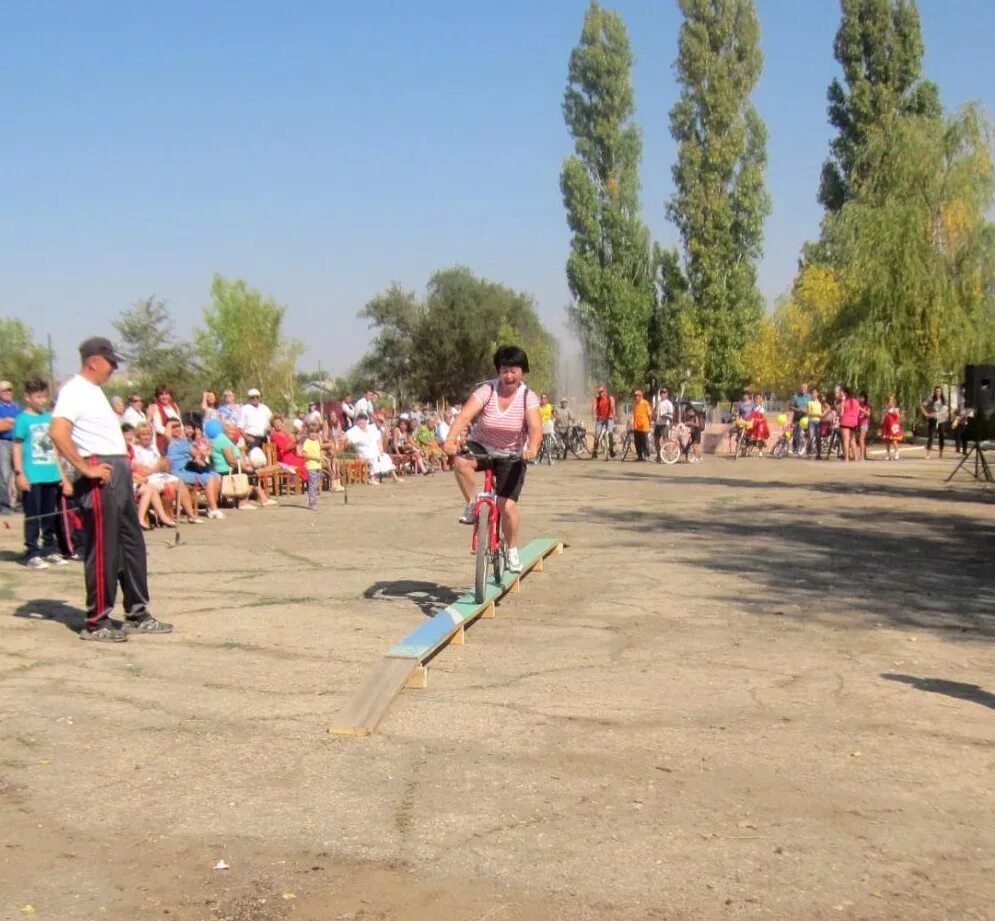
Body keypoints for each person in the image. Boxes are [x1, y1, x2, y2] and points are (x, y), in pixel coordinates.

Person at [49, 337, 172, 642]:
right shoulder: (74, 390)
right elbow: (57, 432)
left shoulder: (95, 393)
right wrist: (85, 468)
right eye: (110, 362)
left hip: (117, 468)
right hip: (98, 471)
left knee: (132, 544)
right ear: (94, 360)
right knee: (104, 547)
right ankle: (97, 620)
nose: (114, 368)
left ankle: (137, 613)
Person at [442, 345, 541, 575]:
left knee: (506, 506)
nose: (508, 376)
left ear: (523, 373)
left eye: (514, 371)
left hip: (512, 454)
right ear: (498, 371)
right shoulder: (487, 390)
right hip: (483, 447)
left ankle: (512, 550)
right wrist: (450, 439)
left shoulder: (528, 397)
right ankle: (472, 504)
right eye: (504, 370)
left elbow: (535, 427)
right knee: (461, 461)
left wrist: (532, 447)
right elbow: (465, 415)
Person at [13, 378, 73, 568]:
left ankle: (49, 548)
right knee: (34, 515)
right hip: (32, 475)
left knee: (50, 514)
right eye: (38, 397)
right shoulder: (22, 420)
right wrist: (19, 473)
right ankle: (31, 551)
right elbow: (16, 447)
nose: (42, 401)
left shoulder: (49, 418)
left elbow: (55, 448)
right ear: (28, 397)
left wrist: (62, 475)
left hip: (51, 474)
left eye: (44, 397)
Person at [165, 419, 224, 518]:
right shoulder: (171, 441)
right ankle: (213, 508)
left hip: (188, 468)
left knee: (215, 475)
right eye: (173, 427)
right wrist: (170, 423)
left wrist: (202, 454)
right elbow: (166, 434)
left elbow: (197, 454)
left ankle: (212, 506)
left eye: (178, 426)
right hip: (178, 471)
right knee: (209, 478)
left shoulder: (184, 441)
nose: (176, 429)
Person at [345, 413, 400, 484]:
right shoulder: (354, 431)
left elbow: (379, 437)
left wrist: (381, 449)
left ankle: (395, 477)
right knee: (373, 457)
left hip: (374, 451)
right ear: (356, 422)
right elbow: (345, 438)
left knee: (385, 456)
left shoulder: (371, 428)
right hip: (363, 453)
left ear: (366, 421)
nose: (361, 422)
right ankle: (372, 478)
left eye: (363, 420)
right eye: (359, 421)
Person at [0, 380, 23, 514]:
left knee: (20, 472)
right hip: (3, 442)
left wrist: (8, 422)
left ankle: (19, 503)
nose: (7, 393)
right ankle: (5, 506)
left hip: (17, 442)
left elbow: (21, 423)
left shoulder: (17, 407)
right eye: (4, 390)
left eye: (9, 390)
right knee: (4, 474)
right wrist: (8, 423)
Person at [300, 420, 325, 510]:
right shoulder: (307, 442)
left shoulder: (317, 442)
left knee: (316, 485)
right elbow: (304, 454)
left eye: (316, 432)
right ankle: (312, 503)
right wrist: (316, 457)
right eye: (312, 432)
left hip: (318, 466)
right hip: (311, 467)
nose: (314, 434)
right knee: (312, 485)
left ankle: (314, 500)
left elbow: (320, 450)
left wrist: (322, 458)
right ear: (308, 433)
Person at [921, 386, 948, 459]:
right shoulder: (931, 399)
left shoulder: (944, 400)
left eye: (939, 391)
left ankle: (941, 452)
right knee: (931, 436)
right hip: (933, 419)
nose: (937, 393)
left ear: (941, 392)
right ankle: (928, 453)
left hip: (942, 420)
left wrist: (946, 414)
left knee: (941, 436)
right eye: (936, 391)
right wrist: (926, 413)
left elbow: (947, 409)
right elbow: (922, 405)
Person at [591, 385, 616, 458]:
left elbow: (612, 407)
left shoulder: (610, 398)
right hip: (600, 419)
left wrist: (613, 414)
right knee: (597, 435)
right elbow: (594, 407)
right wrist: (593, 414)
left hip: (609, 418)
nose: (600, 393)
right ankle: (595, 451)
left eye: (602, 392)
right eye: (599, 392)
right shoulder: (597, 399)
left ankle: (611, 450)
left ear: (605, 391)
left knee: (610, 433)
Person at [653, 388, 675, 462]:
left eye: (664, 392)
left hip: (665, 424)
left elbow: (671, 415)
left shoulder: (668, 403)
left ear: (667, 394)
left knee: (665, 440)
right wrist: (654, 414)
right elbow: (655, 412)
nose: (662, 394)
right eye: (661, 392)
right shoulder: (659, 402)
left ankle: (668, 456)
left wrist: (665, 416)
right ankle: (659, 456)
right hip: (658, 423)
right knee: (656, 440)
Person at [839, 387, 861, 461]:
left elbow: (841, 413)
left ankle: (847, 458)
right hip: (854, 422)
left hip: (845, 421)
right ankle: (856, 457)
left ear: (845, 393)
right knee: (852, 440)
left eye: (841, 392)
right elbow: (858, 412)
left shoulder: (844, 401)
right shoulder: (856, 401)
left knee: (846, 440)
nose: (840, 394)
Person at [631, 389, 652, 461]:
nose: (636, 397)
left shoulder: (645, 403)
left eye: (637, 395)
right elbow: (634, 414)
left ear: (641, 396)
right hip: (636, 426)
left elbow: (649, 414)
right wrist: (632, 423)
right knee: (637, 442)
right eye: (635, 396)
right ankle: (640, 456)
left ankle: (647, 456)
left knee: (645, 442)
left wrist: (650, 423)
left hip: (644, 426)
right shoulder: (635, 404)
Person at [789, 383, 810, 455]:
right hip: (797, 417)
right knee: (796, 433)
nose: (803, 389)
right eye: (802, 388)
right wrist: (798, 409)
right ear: (800, 388)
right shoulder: (795, 396)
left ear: (807, 389)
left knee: (806, 434)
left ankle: (806, 449)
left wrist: (807, 410)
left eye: (805, 388)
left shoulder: (809, 396)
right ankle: (796, 449)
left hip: (806, 418)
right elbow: (791, 406)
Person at [537, 393, 556, 465]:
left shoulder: (549, 406)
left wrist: (554, 419)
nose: (543, 400)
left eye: (544, 398)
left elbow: (554, 414)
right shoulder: (538, 407)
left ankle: (549, 459)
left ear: (547, 399)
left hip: (548, 426)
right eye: (541, 398)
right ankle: (538, 459)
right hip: (540, 426)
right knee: (539, 444)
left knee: (548, 443)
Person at [805, 388, 823, 459]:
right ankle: (808, 453)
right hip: (812, 421)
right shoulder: (809, 402)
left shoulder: (819, 403)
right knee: (811, 437)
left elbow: (822, 412)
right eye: (812, 393)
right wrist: (817, 414)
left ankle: (818, 454)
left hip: (818, 422)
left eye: (815, 393)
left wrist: (821, 415)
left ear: (817, 394)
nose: (813, 394)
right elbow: (808, 412)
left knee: (818, 438)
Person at [857, 392, 873, 461]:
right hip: (858, 422)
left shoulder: (867, 405)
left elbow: (869, 414)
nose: (861, 399)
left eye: (862, 397)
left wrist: (862, 409)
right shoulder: (857, 404)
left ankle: (862, 456)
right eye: (860, 397)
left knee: (861, 439)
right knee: (859, 440)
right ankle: (863, 455)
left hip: (864, 423)